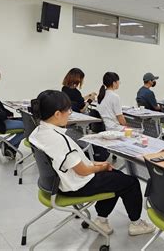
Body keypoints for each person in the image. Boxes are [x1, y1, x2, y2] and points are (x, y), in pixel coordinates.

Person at [29, 90, 155, 236]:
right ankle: (136, 224)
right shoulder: (59, 140)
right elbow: (82, 171)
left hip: (57, 183)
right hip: (76, 185)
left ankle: (101, 220)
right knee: (130, 182)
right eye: (68, 110)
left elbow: (75, 163)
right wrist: (102, 166)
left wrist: (98, 165)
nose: (70, 113)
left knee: (116, 177)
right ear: (57, 114)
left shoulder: (38, 132)